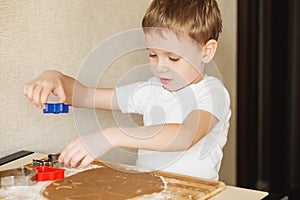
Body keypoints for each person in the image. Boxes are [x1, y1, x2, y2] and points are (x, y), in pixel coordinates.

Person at [23, 0, 230, 180]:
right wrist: (55, 77)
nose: (160, 66)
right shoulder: (151, 90)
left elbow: (185, 135)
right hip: (150, 190)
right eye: (152, 55)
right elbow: (85, 95)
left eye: (173, 57)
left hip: (198, 194)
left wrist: (112, 136)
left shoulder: (212, 93)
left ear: (206, 51)